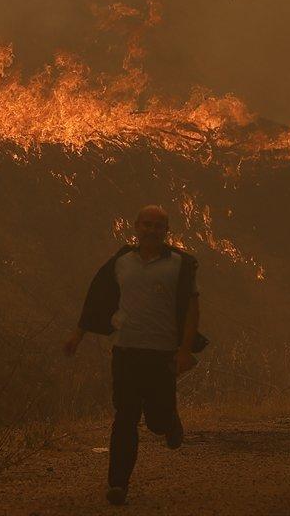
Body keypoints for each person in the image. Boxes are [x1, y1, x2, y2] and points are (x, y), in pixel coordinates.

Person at [63, 204, 206, 506]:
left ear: (166, 232)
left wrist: (183, 350)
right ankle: (118, 484)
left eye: (158, 226)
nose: (151, 231)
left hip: (162, 354)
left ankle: (169, 420)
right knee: (125, 417)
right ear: (136, 227)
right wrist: (78, 333)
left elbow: (192, 310)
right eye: (146, 225)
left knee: (155, 421)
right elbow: (97, 296)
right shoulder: (121, 262)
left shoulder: (181, 265)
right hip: (126, 351)